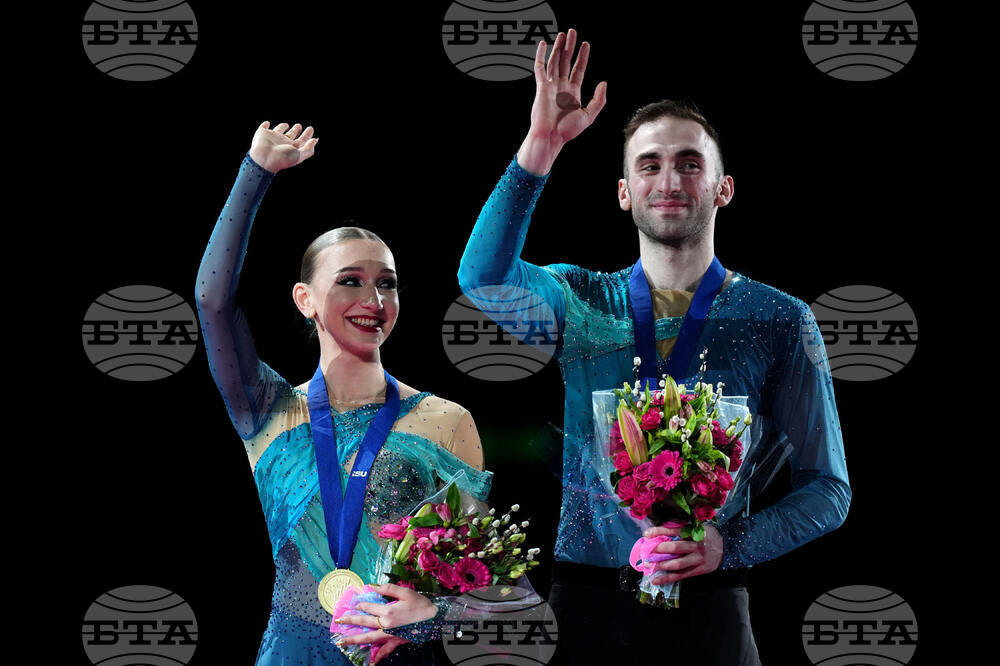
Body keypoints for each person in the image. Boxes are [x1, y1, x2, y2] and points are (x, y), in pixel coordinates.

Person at [457, 29, 851, 665]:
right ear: (624, 193)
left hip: (715, 606)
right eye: (649, 164)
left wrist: (731, 545)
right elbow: (482, 279)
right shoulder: (581, 300)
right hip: (585, 603)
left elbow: (828, 489)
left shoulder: (780, 318)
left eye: (690, 163)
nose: (669, 179)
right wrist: (541, 146)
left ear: (723, 188)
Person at [196, 121, 493, 665]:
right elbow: (213, 303)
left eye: (387, 282)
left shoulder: (447, 419)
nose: (374, 298)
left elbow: (478, 587)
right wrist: (255, 172)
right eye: (350, 280)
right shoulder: (267, 412)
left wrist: (434, 616)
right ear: (304, 299)